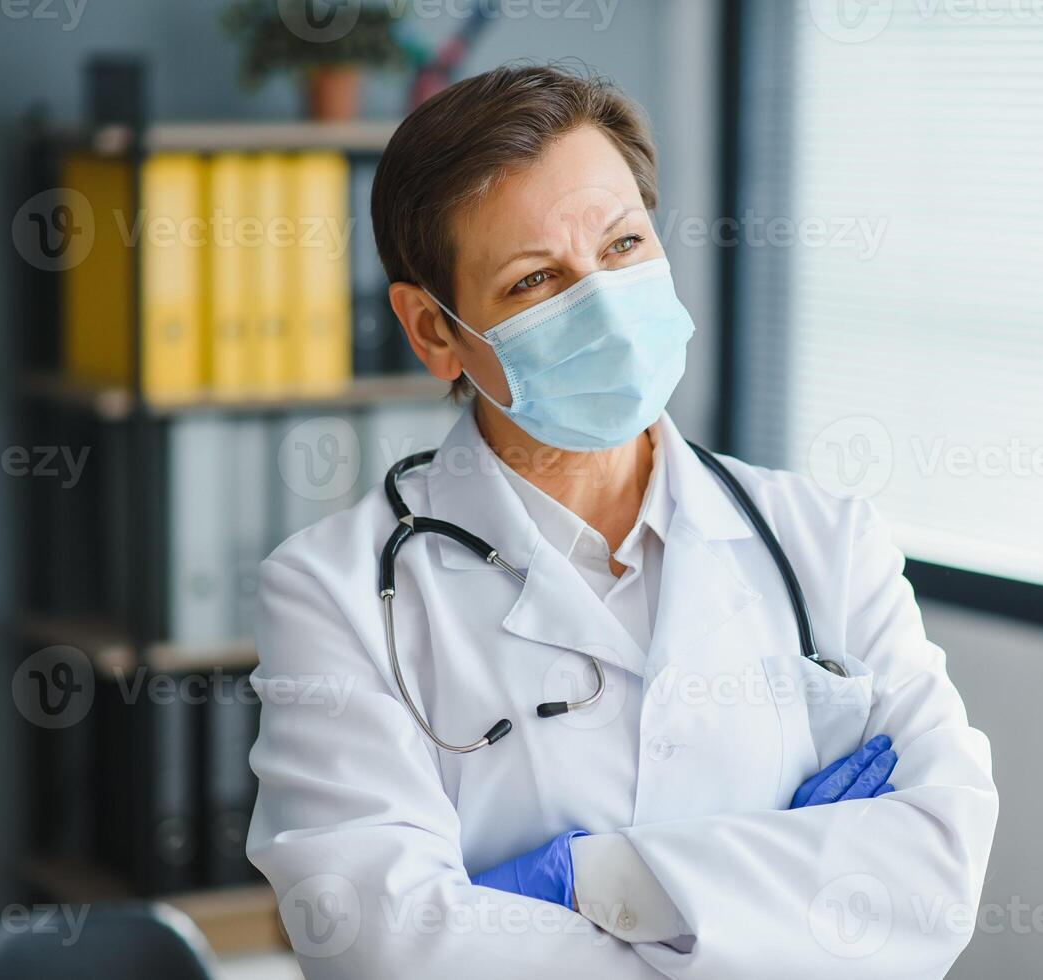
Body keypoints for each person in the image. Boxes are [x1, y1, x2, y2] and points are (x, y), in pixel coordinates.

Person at [248, 63, 997, 979]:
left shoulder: (825, 539)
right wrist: (776, 897)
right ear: (433, 330)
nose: (601, 303)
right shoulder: (333, 591)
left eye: (622, 245)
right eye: (534, 282)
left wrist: (585, 881)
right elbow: (390, 947)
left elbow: (932, 878)